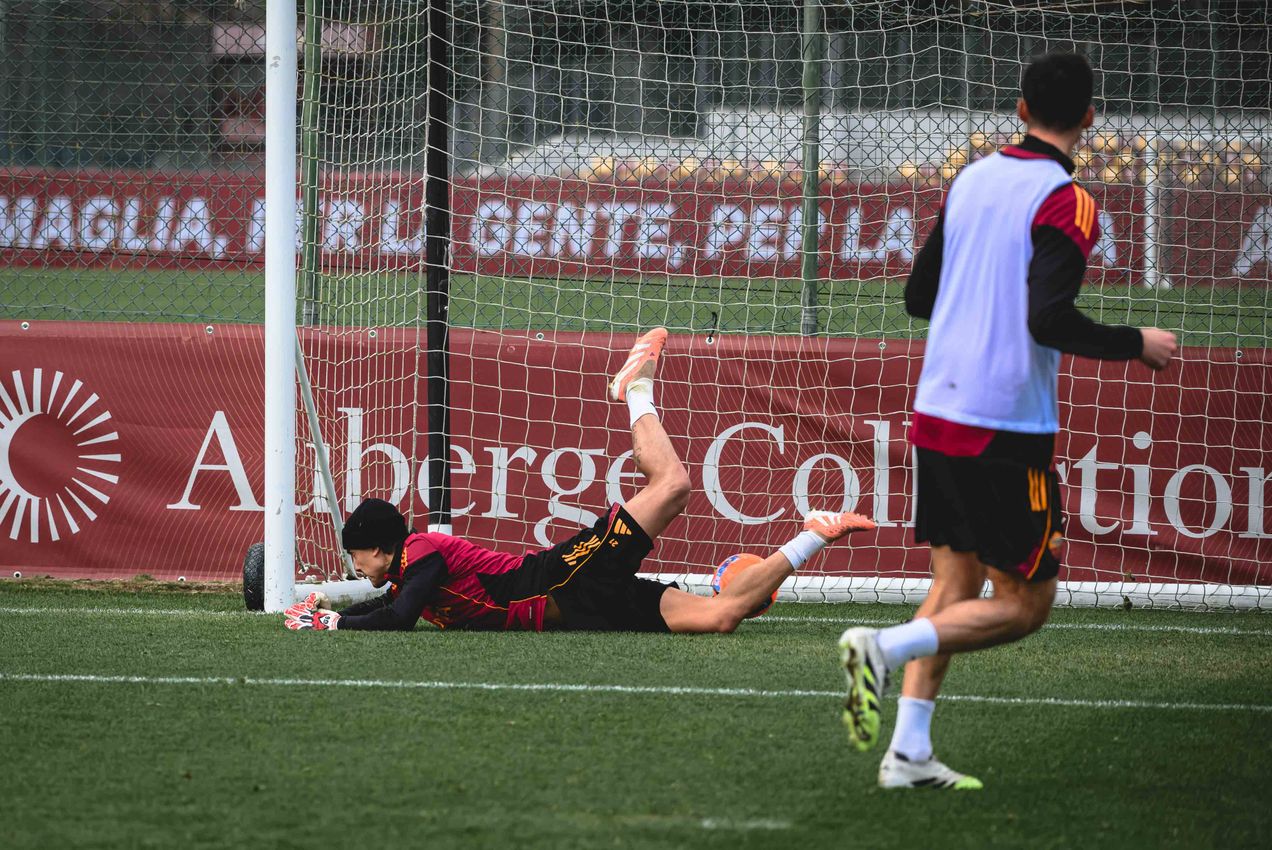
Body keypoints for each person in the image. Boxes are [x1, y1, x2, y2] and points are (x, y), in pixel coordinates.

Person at [837, 52, 1178, 790]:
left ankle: (909, 754)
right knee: (1024, 606)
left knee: (954, 584)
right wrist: (1136, 344)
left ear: (1018, 109)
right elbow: (1048, 318)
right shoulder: (1068, 200)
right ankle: (882, 648)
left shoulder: (970, 179)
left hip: (937, 409)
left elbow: (920, 297)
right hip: (1001, 425)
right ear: (1091, 118)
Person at [285, 327, 874, 634]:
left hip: (564, 576)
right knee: (720, 617)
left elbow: (398, 616)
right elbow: (389, 602)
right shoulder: (403, 573)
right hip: (588, 610)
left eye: (357, 555)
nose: (356, 565)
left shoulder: (422, 554)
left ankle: (634, 390)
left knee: (672, 485)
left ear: (382, 547)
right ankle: (814, 535)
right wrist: (335, 609)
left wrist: (330, 620)